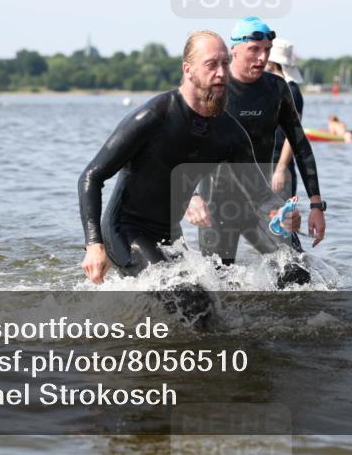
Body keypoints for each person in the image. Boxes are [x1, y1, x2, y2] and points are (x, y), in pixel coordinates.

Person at [78, 31, 296, 286]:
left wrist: (279, 211)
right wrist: (94, 245)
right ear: (188, 70)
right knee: (187, 300)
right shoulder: (153, 116)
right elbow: (91, 176)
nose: (221, 73)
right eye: (211, 64)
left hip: (170, 235)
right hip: (125, 231)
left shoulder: (230, 133)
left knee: (213, 305)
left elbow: (258, 193)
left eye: (225, 64)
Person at [188, 17, 327, 281]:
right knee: (218, 284)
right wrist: (192, 196)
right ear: (235, 50)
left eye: (267, 50)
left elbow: (301, 146)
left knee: (297, 272)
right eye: (254, 49)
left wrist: (317, 205)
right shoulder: (213, 89)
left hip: (263, 202)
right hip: (218, 203)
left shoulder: (276, 89)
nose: (262, 58)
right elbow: (185, 147)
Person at [265, 38, 304, 197]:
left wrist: (281, 168)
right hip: (266, 163)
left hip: (280, 166)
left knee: (282, 219)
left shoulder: (291, 91)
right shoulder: (271, 87)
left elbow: (293, 135)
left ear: (273, 62)